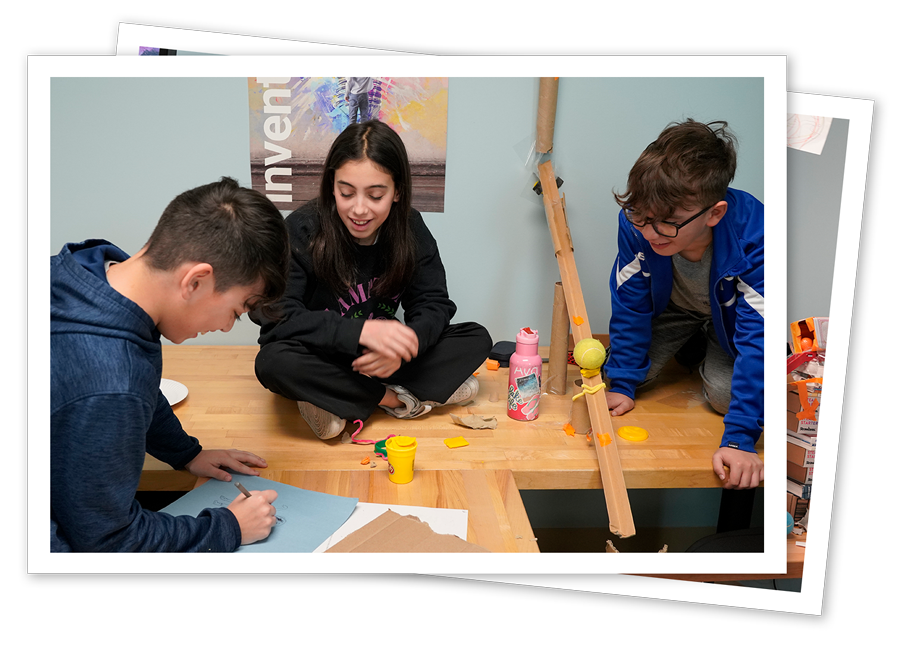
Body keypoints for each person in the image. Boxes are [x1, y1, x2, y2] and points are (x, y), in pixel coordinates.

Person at [50, 177, 291, 552]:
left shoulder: (85, 274)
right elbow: (109, 542)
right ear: (195, 281)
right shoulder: (111, 382)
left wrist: (185, 452)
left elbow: (139, 384)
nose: (227, 326)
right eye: (236, 310)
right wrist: (228, 528)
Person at [252, 120, 492, 440]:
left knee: (476, 337)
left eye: (375, 195)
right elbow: (276, 317)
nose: (359, 210)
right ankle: (393, 399)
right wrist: (361, 330)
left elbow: (432, 302)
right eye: (346, 193)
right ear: (331, 186)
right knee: (272, 362)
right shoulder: (303, 229)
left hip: (381, 361)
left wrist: (406, 345)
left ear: (397, 193)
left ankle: (332, 401)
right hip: (321, 355)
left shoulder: (409, 227)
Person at [603, 119, 764, 490]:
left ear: (715, 213)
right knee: (622, 375)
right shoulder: (638, 225)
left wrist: (740, 439)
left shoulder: (757, 235)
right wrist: (624, 383)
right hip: (674, 311)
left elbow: (758, 337)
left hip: (732, 322)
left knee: (727, 398)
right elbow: (629, 303)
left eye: (668, 223)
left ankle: (704, 343)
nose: (648, 231)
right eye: (640, 216)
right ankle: (688, 343)